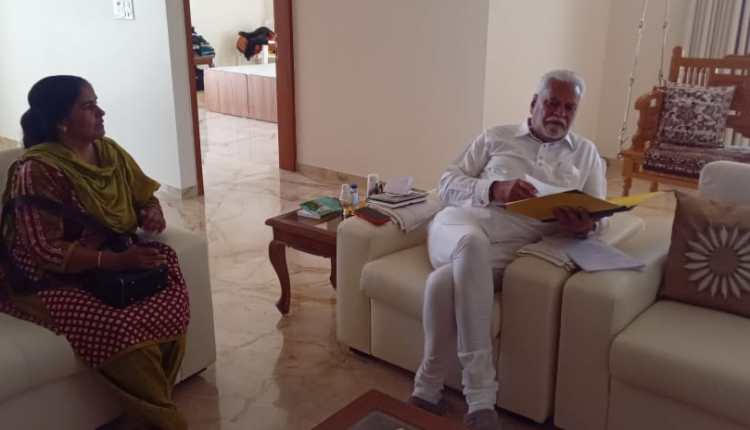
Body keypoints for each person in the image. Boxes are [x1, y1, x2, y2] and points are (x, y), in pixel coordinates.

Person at [409, 70, 607, 430]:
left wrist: (586, 225)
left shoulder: (587, 154)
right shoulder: (496, 136)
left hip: (511, 250)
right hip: (459, 226)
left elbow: (601, 214)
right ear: (533, 103)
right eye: (552, 103)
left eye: (569, 108)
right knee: (471, 244)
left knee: (443, 283)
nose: (559, 113)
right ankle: (481, 397)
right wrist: (495, 189)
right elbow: (447, 182)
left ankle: (426, 387)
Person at [0, 75, 190, 430]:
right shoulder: (38, 170)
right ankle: (166, 422)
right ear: (62, 121)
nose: (101, 112)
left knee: (169, 293)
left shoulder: (109, 152)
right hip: (49, 277)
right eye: (88, 107)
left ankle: (149, 411)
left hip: (113, 257)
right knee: (120, 328)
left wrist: (150, 211)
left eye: (97, 103)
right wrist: (114, 261)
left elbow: (144, 195)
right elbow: (44, 249)